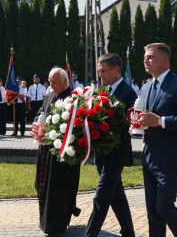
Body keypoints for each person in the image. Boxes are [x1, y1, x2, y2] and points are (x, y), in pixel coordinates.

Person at [138, 43, 177, 237]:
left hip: (172, 157)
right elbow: (147, 118)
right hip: (150, 156)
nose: (145, 61)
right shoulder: (146, 86)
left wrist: (161, 121)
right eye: (145, 57)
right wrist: (139, 124)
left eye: (150, 57)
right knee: (152, 212)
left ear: (164, 59)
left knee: (164, 206)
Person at [86, 53, 136, 237]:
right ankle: (128, 232)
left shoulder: (128, 93)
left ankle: (89, 234)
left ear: (116, 70)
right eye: (99, 72)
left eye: (104, 71)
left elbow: (126, 125)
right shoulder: (103, 91)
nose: (101, 75)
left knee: (101, 196)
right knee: (116, 195)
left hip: (117, 153)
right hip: (103, 153)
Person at [31, 68, 81, 236]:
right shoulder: (52, 94)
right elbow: (42, 111)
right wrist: (37, 125)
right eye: (49, 81)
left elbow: (76, 126)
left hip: (62, 155)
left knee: (58, 189)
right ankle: (46, 221)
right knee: (42, 185)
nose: (50, 85)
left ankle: (57, 224)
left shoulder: (73, 99)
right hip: (45, 149)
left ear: (65, 82)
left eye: (54, 82)